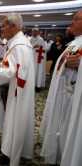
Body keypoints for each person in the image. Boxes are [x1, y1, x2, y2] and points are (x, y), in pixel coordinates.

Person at [0, 13, 35, 166]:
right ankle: (9, 146)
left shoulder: (19, 45)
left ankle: (9, 154)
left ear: (13, 26)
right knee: (9, 120)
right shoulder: (17, 42)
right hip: (16, 89)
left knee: (13, 120)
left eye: (4, 25)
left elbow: (12, 72)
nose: (2, 28)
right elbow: (11, 66)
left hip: (15, 92)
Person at [40, 10, 82, 165]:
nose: (72, 22)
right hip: (64, 94)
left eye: (76, 19)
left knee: (70, 132)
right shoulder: (74, 42)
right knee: (62, 130)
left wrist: (79, 66)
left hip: (75, 99)